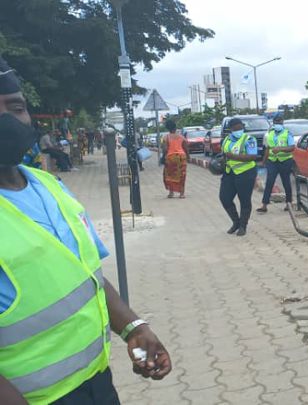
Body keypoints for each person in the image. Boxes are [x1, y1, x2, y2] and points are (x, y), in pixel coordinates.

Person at [0, 55, 171, 405]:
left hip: (96, 381)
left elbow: (86, 277)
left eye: (14, 107)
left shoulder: (49, 186)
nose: (6, 120)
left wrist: (133, 327)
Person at [219, 118, 258, 236]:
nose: (239, 130)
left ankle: (243, 226)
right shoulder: (226, 140)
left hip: (246, 173)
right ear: (231, 129)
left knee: (244, 200)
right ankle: (236, 222)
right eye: (236, 129)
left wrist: (232, 156)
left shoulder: (249, 139)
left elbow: (252, 156)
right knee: (224, 198)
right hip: (229, 173)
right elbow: (224, 155)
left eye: (240, 128)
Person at [258, 115, 294, 213]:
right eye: (276, 122)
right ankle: (264, 205)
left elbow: (292, 147)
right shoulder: (269, 134)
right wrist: (263, 162)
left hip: (285, 161)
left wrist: (280, 149)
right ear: (273, 123)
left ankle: (289, 203)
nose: (278, 124)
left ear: (282, 123)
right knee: (269, 182)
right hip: (272, 161)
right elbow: (267, 149)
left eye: (279, 122)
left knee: (286, 182)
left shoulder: (287, 134)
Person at [160, 120, 187, 198]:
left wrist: (163, 158)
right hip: (181, 157)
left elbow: (165, 149)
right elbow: (186, 147)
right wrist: (188, 156)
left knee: (169, 175)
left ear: (168, 128)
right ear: (175, 127)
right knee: (182, 175)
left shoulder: (165, 137)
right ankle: (182, 194)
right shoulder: (181, 137)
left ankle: (171, 193)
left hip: (171, 157)